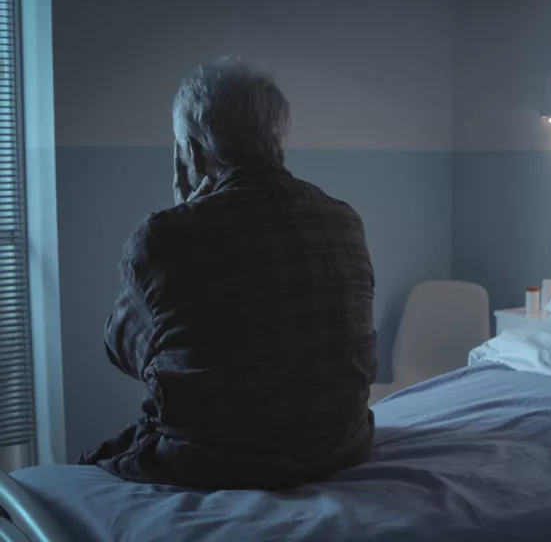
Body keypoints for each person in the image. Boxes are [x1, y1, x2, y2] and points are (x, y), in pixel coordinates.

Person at [80, 57, 378, 490]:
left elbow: (123, 352)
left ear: (194, 151)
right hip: (342, 445)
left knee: (84, 469)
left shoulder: (163, 238)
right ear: (276, 140)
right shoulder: (344, 220)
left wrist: (184, 213)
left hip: (216, 461)